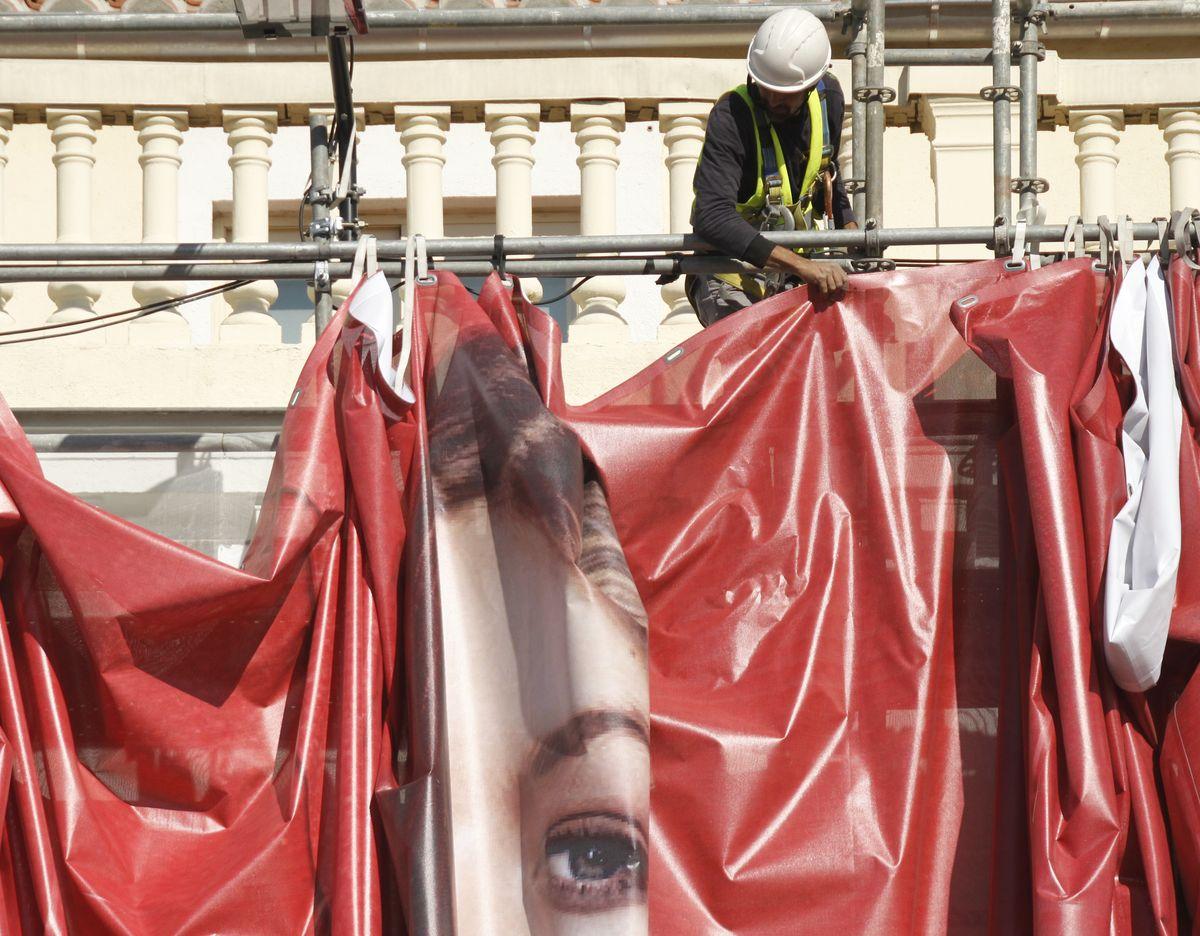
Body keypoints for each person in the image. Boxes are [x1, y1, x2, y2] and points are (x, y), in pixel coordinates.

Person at [688, 8, 857, 326]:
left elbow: (825, 168)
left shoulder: (828, 100)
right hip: (732, 277)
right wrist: (803, 267)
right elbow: (711, 217)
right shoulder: (732, 117)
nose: (771, 99)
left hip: (793, 275)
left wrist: (853, 234)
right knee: (749, 363)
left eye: (785, 94)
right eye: (765, 87)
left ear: (812, 85)